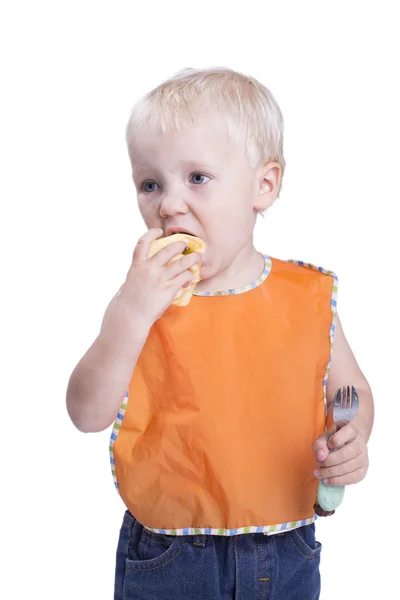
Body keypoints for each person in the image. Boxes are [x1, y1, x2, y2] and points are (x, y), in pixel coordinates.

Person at [66, 67, 374, 600]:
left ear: (264, 185)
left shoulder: (307, 295)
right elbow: (85, 413)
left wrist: (354, 439)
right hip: (169, 553)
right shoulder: (141, 301)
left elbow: (350, 395)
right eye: (150, 183)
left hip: (287, 545)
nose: (167, 204)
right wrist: (131, 314)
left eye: (198, 179)